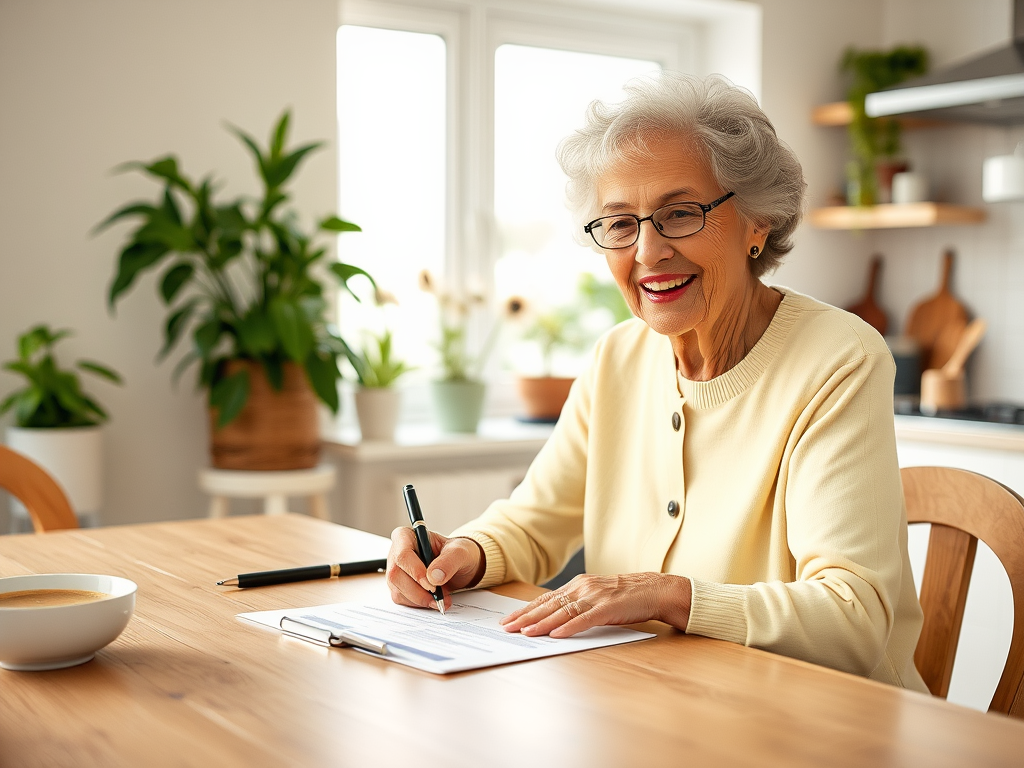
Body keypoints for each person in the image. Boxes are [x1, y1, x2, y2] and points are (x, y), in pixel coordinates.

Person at [386, 72, 927, 691]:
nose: (646, 252)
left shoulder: (837, 359)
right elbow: (535, 521)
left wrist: (668, 595)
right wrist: (464, 555)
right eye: (619, 224)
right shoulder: (618, 356)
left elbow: (852, 621)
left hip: (823, 725)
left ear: (758, 221)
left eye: (680, 214)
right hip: (662, 707)